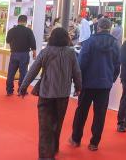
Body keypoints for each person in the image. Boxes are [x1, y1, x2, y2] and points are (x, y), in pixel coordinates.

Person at [20, 28, 81, 160]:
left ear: (52, 37)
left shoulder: (45, 52)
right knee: (57, 123)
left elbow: (33, 70)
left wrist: (23, 86)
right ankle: (53, 148)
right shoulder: (71, 53)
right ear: (66, 38)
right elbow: (77, 71)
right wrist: (78, 87)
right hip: (63, 94)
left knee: (45, 126)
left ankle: (45, 155)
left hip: (46, 93)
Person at [69, 17, 120, 151]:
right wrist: (110, 79)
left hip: (87, 83)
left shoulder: (90, 42)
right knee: (100, 114)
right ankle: (94, 143)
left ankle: (75, 139)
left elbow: (81, 63)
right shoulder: (115, 44)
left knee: (81, 112)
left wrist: (78, 82)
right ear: (110, 28)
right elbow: (117, 65)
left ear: (98, 27)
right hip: (104, 85)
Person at [5, 14, 37, 96]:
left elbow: (7, 41)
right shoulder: (28, 31)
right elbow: (33, 42)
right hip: (24, 54)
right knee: (23, 73)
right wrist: (34, 52)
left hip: (14, 53)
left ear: (18, 21)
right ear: (26, 22)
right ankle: (21, 90)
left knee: (11, 73)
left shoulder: (12, 30)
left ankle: (9, 90)